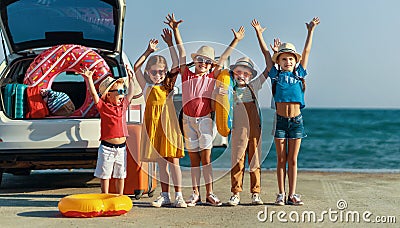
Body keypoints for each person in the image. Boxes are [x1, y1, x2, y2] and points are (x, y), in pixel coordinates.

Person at [165, 13, 245, 206]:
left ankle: (210, 193)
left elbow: (224, 57)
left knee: (206, 158)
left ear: (211, 64)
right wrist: (176, 31)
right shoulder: (186, 74)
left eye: (207, 61)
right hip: (188, 121)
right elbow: (181, 51)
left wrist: (235, 40)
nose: (203, 63)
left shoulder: (212, 76)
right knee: (194, 160)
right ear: (196, 61)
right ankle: (195, 193)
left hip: (206, 120)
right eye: (200, 60)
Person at [266, 17, 320, 206]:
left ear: (295, 61)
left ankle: (293, 194)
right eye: (284, 58)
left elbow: (306, 51)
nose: (288, 61)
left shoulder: (299, 73)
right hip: (280, 121)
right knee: (281, 159)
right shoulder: (276, 75)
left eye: (290, 58)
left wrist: (310, 31)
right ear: (279, 61)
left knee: (293, 159)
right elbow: (266, 56)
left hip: (296, 121)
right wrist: (259, 34)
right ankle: (281, 194)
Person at [130, 28, 186, 208]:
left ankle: (179, 195)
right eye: (154, 72)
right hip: (153, 126)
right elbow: (136, 67)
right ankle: (165, 195)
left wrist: (170, 44)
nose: (158, 75)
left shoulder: (168, 86)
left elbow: (177, 63)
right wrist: (148, 51)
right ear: (148, 72)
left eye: (161, 72)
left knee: (174, 161)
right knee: (161, 163)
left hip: (168, 125)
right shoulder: (146, 86)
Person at [81, 66, 136, 195]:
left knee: (121, 174)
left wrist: (131, 79)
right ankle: (104, 195)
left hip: (121, 148)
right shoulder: (103, 107)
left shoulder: (123, 106)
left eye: (123, 91)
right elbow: (94, 95)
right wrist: (89, 79)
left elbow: (131, 93)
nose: (122, 94)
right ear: (108, 94)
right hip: (107, 148)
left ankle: (120, 195)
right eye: (119, 91)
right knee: (105, 174)